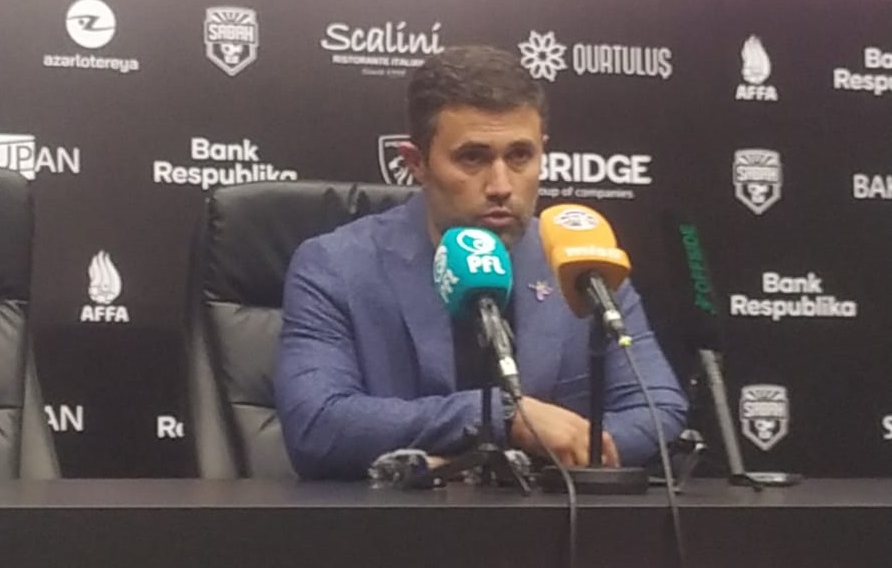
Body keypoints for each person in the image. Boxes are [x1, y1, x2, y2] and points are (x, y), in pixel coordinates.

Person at [274, 45, 687, 480]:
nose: (501, 185)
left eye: (520, 156)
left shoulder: (582, 262)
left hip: (551, 517)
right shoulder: (335, 266)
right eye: (473, 158)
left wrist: (525, 463)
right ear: (416, 163)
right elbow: (317, 424)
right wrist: (504, 418)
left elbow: (658, 409)